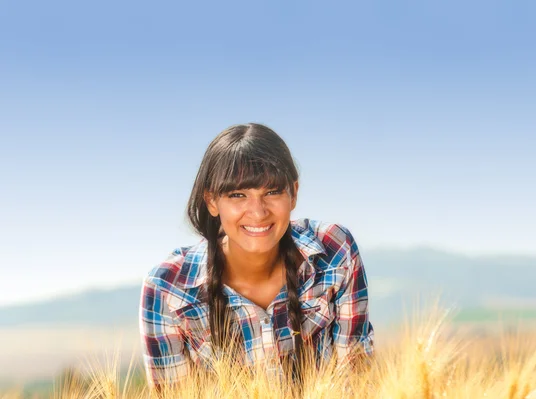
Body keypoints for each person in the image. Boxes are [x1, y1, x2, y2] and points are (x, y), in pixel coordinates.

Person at [139, 123, 374, 391]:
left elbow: (355, 382)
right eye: (238, 195)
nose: (258, 212)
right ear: (212, 201)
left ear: (294, 193)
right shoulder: (167, 288)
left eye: (272, 192)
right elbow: (174, 394)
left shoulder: (335, 250)